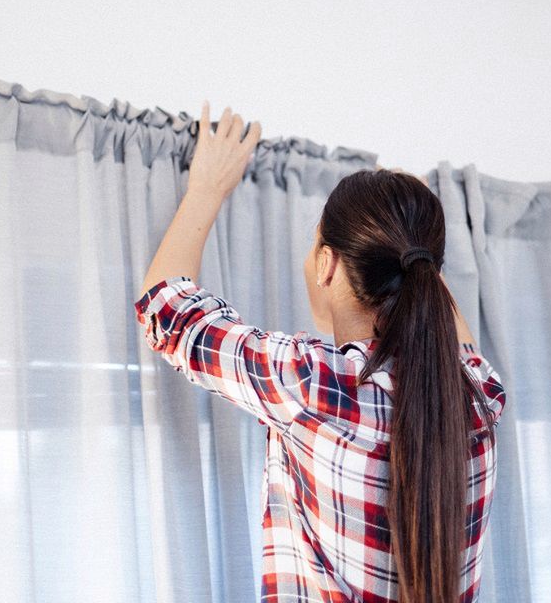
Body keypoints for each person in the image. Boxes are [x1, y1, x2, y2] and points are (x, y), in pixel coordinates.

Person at [135, 102, 507, 602]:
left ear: (327, 266)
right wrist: (405, 226)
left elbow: (166, 308)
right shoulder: (478, 394)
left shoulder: (312, 382)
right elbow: (437, 307)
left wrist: (207, 187)